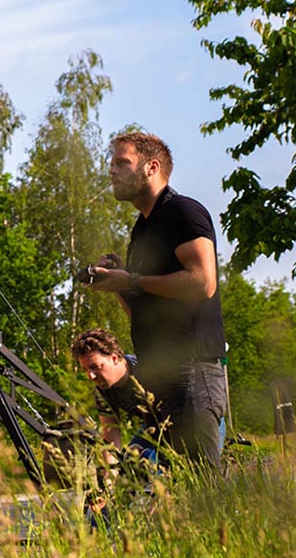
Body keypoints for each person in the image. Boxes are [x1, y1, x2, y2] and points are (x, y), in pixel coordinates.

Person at [85, 131, 227, 469]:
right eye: (112, 163)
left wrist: (132, 279)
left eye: (122, 162)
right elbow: (142, 310)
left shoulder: (182, 211)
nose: (111, 170)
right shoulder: (141, 230)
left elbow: (203, 282)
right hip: (160, 379)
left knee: (203, 488)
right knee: (149, 486)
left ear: (151, 167)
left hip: (193, 373)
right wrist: (118, 285)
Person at [70, 328, 164, 465]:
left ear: (114, 358)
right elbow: (110, 437)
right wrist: (111, 477)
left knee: (152, 462)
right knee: (127, 463)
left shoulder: (146, 370)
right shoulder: (103, 390)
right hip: (150, 426)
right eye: (86, 370)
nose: (91, 376)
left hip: (179, 420)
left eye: (95, 367)